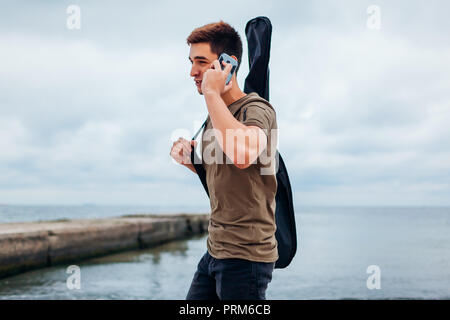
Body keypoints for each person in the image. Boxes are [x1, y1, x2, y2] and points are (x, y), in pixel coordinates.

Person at [169, 20, 278, 300]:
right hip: (216, 250)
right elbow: (222, 173)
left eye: (201, 62)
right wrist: (190, 158)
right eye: (191, 62)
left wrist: (211, 93)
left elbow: (242, 155)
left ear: (228, 64)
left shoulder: (257, 109)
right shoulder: (214, 116)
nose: (193, 71)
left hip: (246, 257)